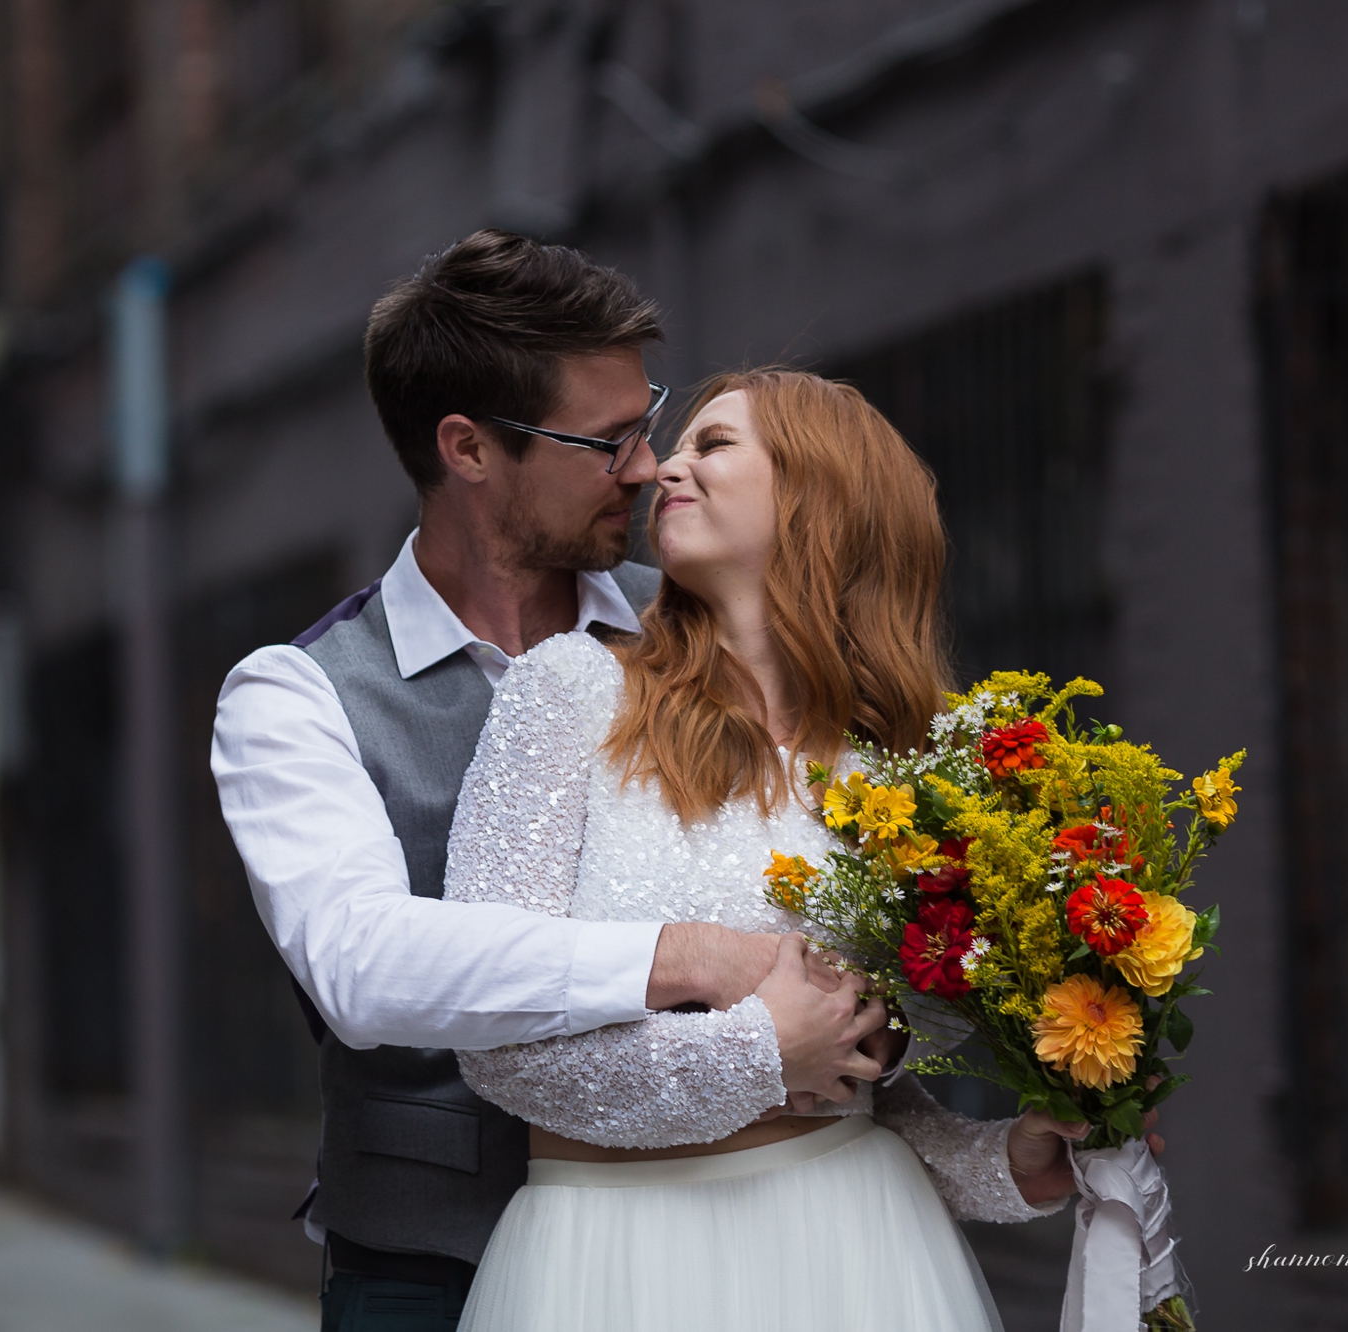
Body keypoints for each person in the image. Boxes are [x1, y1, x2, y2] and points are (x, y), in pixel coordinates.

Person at [211, 233, 886, 1332]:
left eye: (647, 420)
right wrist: (683, 958)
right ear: (468, 450)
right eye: (605, 440)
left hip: (719, 1246)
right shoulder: (296, 696)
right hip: (424, 1272)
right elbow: (361, 964)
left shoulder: (709, 621)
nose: (645, 466)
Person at [441, 370, 1095, 1332]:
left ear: (820, 495)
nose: (665, 468)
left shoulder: (910, 771)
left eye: (714, 445)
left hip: (857, 1251)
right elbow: (491, 1038)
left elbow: (861, 1095)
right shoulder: (570, 692)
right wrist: (760, 1052)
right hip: (612, 1263)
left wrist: (1005, 1162)